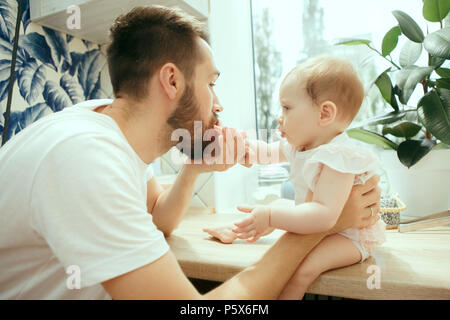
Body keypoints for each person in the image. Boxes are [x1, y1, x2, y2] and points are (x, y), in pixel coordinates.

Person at [0, 6, 381, 299]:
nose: (218, 104)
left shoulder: (103, 125)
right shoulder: (85, 158)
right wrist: (322, 225)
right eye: (211, 84)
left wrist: (194, 170)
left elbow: (158, 220)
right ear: (171, 80)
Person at [216, 56, 386, 300]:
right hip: (322, 228)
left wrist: (271, 216)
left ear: (325, 113)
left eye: (287, 108)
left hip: (349, 237)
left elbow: (323, 216)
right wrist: (239, 146)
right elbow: (264, 153)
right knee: (282, 241)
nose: (278, 115)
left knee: (301, 269)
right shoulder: (300, 147)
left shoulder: (338, 157)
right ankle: (238, 230)